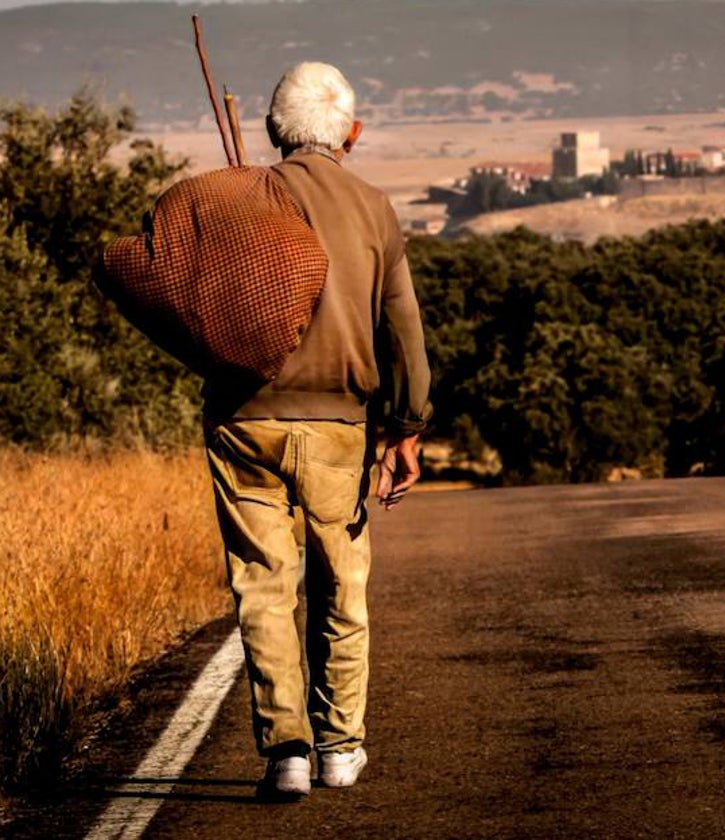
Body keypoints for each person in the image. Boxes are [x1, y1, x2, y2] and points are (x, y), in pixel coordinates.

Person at [201, 61, 432, 800]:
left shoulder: (241, 198)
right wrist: (407, 429)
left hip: (243, 423)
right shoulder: (374, 208)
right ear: (352, 135)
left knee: (263, 589)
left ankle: (286, 754)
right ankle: (339, 746)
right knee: (341, 585)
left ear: (274, 131)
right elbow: (404, 335)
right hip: (339, 426)